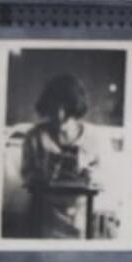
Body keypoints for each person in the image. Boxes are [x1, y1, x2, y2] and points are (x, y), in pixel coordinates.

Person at [20, 73, 104, 238]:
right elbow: (26, 174)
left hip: (82, 215)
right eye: (53, 109)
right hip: (44, 216)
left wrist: (90, 175)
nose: (59, 115)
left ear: (75, 108)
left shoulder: (95, 138)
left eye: (65, 109)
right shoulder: (34, 137)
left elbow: (104, 176)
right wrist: (40, 176)